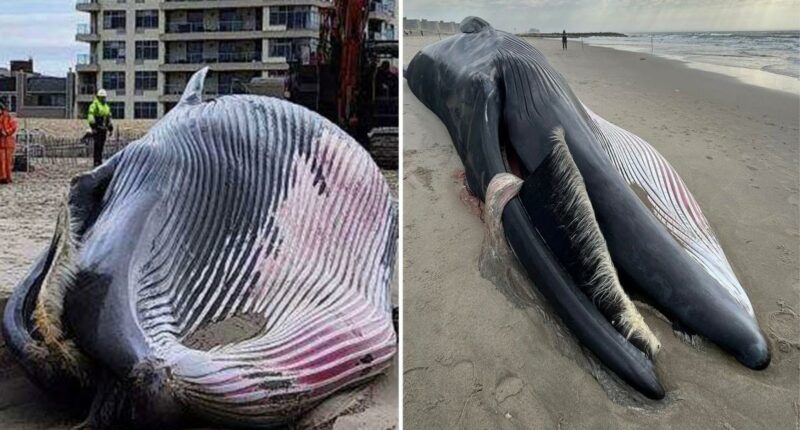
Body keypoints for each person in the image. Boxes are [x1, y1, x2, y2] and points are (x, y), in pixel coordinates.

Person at [87, 89, 113, 167]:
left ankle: (99, 160)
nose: (103, 99)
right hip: (97, 128)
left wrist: (110, 128)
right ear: (98, 97)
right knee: (97, 145)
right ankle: (96, 161)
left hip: (103, 129)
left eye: (104, 97)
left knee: (101, 145)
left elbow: (108, 118)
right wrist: (93, 126)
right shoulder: (94, 105)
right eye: (101, 97)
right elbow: (91, 116)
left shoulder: (106, 107)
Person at [0, 100, 17, 184]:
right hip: (1, 142)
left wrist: (5, 132)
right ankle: (2, 177)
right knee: (1, 161)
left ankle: (7, 177)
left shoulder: (9, 117)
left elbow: (13, 127)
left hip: (8, 142)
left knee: (8, 161)